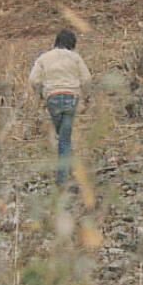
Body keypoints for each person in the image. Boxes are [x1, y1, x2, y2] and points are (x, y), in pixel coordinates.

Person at [28, 29, 93, 185]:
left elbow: (33, 80)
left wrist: (42, 93)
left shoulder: (43, 58)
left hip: (52, 99)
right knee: (65, 138)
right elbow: (87, 79)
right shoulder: (75, 58)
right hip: (71, 99)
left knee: (62, 136)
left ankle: (65, 170)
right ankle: (64, 176)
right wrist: (86, 95)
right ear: (72, 44)